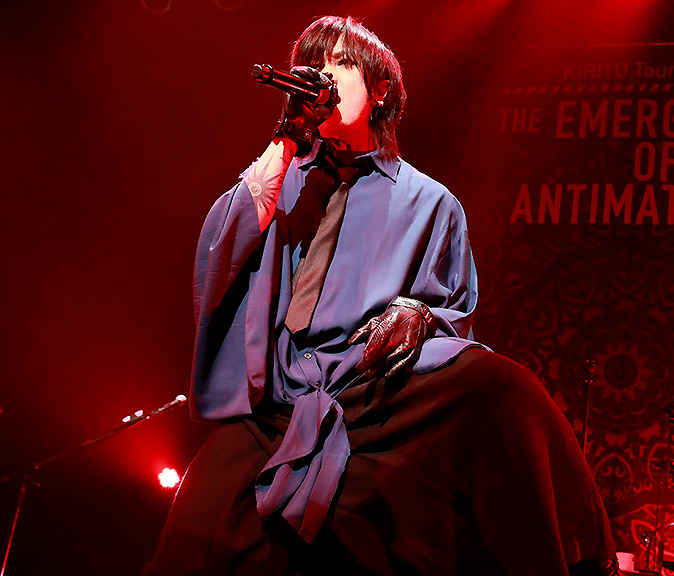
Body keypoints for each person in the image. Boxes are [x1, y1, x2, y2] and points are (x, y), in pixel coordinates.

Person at [145, 15, 616, 576]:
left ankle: (582, 553)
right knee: (194, 539)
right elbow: (222, 250)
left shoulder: (432, 202)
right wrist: (287, 137)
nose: (321, 76)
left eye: (340, 63)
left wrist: (420, 312)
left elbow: (455, 309)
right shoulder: (281, 177)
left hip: (369, 390)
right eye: (313, 65)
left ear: (381, 91)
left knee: (497, 385)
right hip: (278, 395)